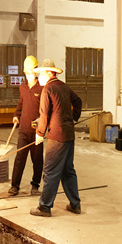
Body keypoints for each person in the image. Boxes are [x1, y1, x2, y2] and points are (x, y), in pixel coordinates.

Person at [29, 58, 83, 217]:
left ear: (49, 73)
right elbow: (78, 101)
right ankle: (75, 205)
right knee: (67, 170)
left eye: (41, 74)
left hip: (57, 137)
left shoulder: (48, 89)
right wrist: (73, 118)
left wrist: (39, 133)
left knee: (50, 171)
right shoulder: (64, 87)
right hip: (68, 135)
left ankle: (44, 207)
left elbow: (44, 114)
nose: (39, 77)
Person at [8, 55, 44, 196]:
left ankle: (35, 186)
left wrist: (42, 123)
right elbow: (21, 103)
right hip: (23, 130)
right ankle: (14, 186)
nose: (29, 73)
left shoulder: (42, 88)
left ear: (36, 71)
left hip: (36, 131)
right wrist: (16, 115)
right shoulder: (23, 87)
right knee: (19, 158)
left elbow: (45, 109)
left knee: (37, 160)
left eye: (31, 70)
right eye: (27, 71)